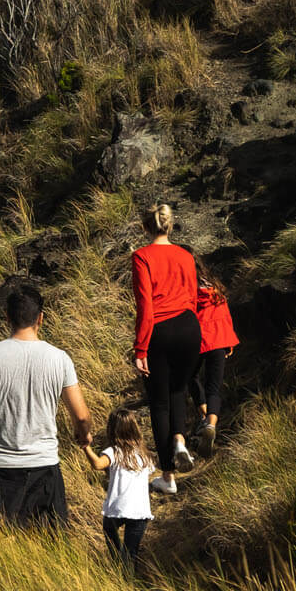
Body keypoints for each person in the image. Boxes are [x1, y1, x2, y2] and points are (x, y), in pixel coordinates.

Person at [0, 284, 92, 525]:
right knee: (50, 548)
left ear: (7, 317)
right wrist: (84, 435)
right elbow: (81, 416)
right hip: (44, 468)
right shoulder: (60, 359)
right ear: (41, 318)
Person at [131, 201, 199, 495]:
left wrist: (140, 349)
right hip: (189, 327)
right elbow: (193, 297)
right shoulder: (186, 255)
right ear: (170, 225)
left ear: (147, 227)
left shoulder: (142, 257)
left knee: (159, 403)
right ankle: (180, 441)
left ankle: (168, 477)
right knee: (178, 392)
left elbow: (146, 307)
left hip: (160, 329)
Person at [78, 408, 158, 572]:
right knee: (131, 554)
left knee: (109, 529)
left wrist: (86, 447)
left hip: (118, 509)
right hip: (140, 511)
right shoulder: (145, 455)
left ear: (112, 430)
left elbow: (98, 465)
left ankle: (116, 561)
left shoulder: (114, 452)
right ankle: (128, 579)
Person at [189, 252, 239, 458]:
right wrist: (229, 341)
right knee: (214, 388)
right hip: (220, 338)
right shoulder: (214, 285)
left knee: (189, 377)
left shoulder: (187, 287)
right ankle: (211, 423)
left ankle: (203, 415)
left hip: (198, 338)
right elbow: (224, 312)